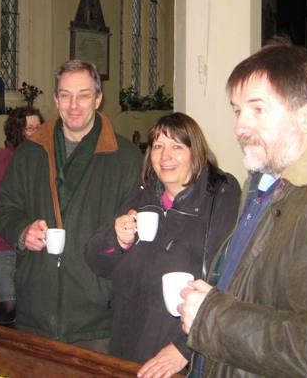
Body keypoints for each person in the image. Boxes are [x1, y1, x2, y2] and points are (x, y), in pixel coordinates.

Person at [179, 40, 307, 377]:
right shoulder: (266, 185)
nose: (239, 127)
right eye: (237, 110)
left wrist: (212, 319)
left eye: (257, 109)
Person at [0, 60, 143, 351]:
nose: (73, 105)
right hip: (35, 309)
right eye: (65, 95)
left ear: (98, 99)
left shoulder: (125, 158)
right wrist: (22, 231)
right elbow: (5, 206)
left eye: (83, 95)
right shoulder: (30, 153)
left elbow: (135, 234)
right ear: (55, 99)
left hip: (96, 317)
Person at [85, 113, 240, 376]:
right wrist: (117, 240)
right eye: (158, 146)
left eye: (177, 146)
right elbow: (96, 261)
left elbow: (231, 284)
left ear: (196, 152)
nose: (165, 156)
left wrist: (184, 349)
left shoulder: (219, 202)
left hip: (180, 359)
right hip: (127, 348)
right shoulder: (141, 197)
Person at [0, 106, 43, 325]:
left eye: (38, 127)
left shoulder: (45, 157)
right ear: (17, 131)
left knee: (32, 305)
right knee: (9, 305)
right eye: (30, 128)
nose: (36, 132)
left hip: (35, 242)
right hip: (4, 240)